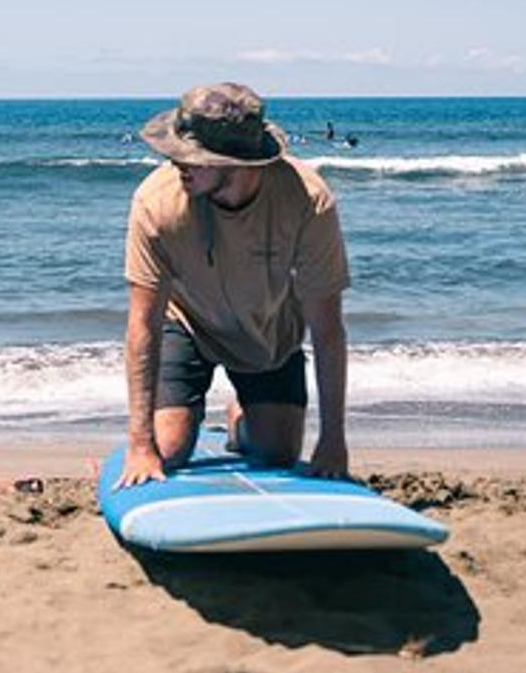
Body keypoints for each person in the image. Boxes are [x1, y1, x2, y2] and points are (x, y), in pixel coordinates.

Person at [117, 83, 352, 488]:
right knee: (168, 451)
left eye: (193, 157)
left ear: (238, 162)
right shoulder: (155, 202)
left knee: (276, 454)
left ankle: (238, 418)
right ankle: (180, 421)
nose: (177, 164)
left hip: (268, 329)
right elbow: (142, 324)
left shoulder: (308, 200)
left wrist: (334, 441)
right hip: (186, 322)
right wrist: (140, 445)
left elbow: (327, 328)